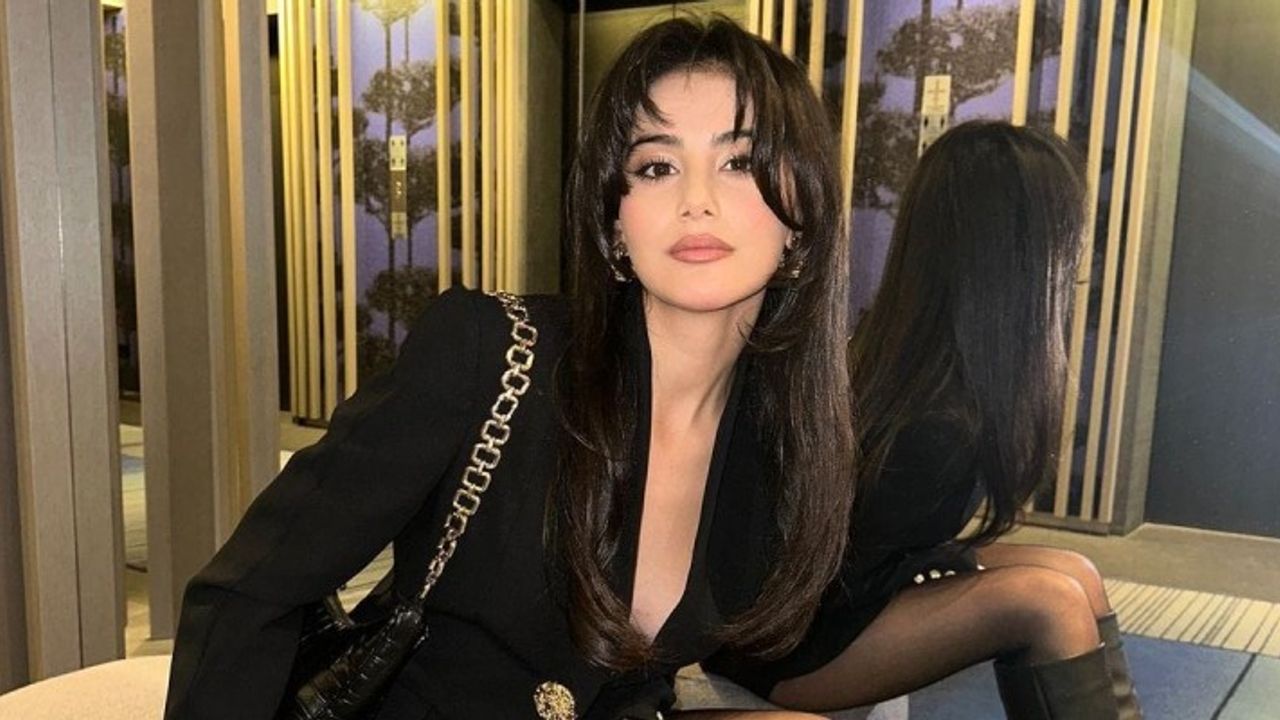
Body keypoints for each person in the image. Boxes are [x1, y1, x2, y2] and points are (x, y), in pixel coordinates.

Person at [164, 16, 852, 720]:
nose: (696, 200)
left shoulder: (781, 438)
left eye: (740, 162)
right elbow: (248, 592)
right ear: (615, 223)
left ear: (800, 216)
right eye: (656, 167)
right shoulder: (494, 354)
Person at [704, 121, 1141, 719]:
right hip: (789, 646)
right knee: (1048, 601)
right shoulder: (934, 425)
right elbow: (823, 580)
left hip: (844, 592)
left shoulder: (905, 362)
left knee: (1075, 572)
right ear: (1027, 256)